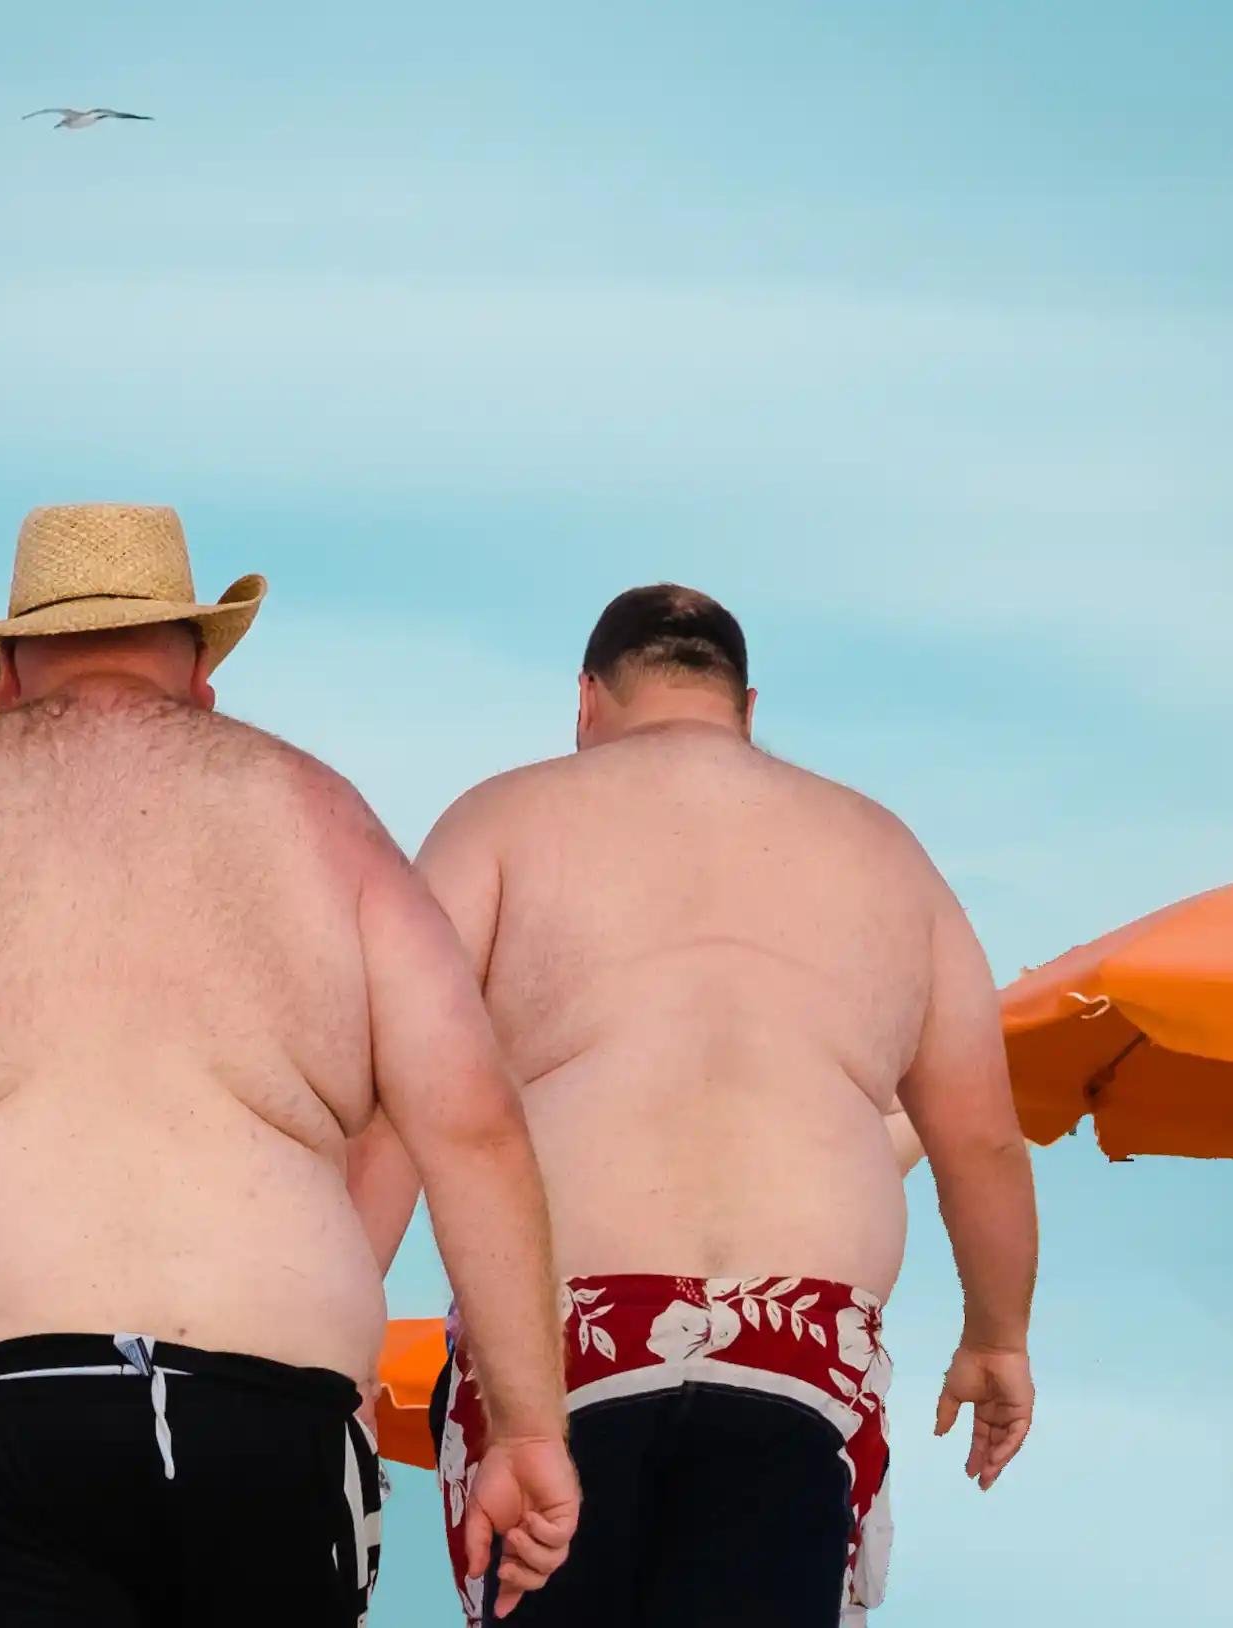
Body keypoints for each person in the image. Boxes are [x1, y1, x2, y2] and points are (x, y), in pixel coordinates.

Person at [0, 504, 579, 1628]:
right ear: (202, 672)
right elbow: (475, 1127)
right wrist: (528, 1428)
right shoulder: (325, 816)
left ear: (2, 676)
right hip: (275, 1429)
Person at [350, 584, 1038, 1627]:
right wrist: (997, 1335)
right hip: (798, 1356)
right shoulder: (885, 850)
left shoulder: (501, 817)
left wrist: (336, 1339)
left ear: (587, 701)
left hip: (562, 1350)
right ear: (746, 708)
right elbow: (981, 1139)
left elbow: (401, 1097)